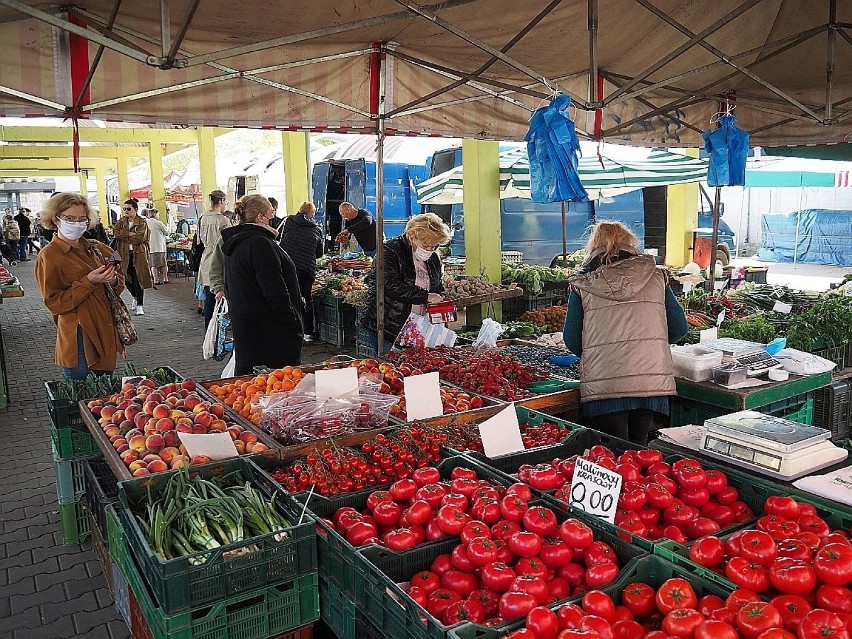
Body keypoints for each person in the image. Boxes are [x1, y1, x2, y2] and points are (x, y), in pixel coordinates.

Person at [562, 221, 689, 445]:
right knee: (638, 451)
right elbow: (679, 327)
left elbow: (572, 340)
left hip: (605, 383)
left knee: (614, 455)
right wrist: (647, 344)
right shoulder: (658, 277)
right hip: (649, 382)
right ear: (630, 244)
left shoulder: (582, 284)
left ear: (594, 247)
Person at [34, 193, 126, 379]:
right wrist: (89, 282)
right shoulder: (49, 256)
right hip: (78, 335)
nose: (76, 224)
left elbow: (119, 283)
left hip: (105, 329)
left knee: (104, 397)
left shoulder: (97, 248)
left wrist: (113, 280)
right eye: (69, 218)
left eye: (81, 219)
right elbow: (54, 304)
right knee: (82, 396)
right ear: (55, 219)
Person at [221, 194, 303, 375]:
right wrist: (292, 320)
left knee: (252, 386)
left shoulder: (237, 243)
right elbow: (275, 290)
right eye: (271, 214)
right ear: (260, 217)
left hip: (249, 327)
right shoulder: (260, 244)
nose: (274, 219)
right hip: (270, 333)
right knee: (273, 386)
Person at [360, 213, 450, 353]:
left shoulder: (433, 258)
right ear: (412, 236)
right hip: (390, 325)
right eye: (426, 245)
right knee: (393, 368)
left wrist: (440, 298)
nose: (430, 250)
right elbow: (388, 284)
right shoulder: (389, 250)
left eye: (434, 246)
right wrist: (426, 296)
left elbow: (437, 285)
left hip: (420, 326)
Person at [279, 201, 324, 341]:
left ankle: (290, 330)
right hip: (306, 269)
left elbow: (276, 239)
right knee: (307, 299)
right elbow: (319, 254)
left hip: (288, 267)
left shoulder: (287, 222)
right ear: (312, 213)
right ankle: (308, 332)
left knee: (290, 298)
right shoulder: (316, 229)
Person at [112, 198, 152, 316]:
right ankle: (134, 296)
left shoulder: (142, 222)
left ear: (135, 209)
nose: (126, 211)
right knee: (125, 277)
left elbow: (140, 238)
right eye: (124, 209)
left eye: (128, 209)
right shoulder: (121, 221)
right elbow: (116, 233)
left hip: (138, 254)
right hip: (123, 254)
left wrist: (124, 236)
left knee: (138, 278)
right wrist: (129, 234)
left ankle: (140, 304)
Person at [197, 190, 231, 328]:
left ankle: (208, 331)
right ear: (221, 201)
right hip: (219, 260)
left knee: (209, 298)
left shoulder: (202, 218)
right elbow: (228, 243)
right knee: (220, 297)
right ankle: (218, 332)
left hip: (205, 259)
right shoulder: (223, 220)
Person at [145, 208, 170, 285]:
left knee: (153, 264)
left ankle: (156, 280)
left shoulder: (146, 223)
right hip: (159, 246)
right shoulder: (158, 223)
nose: (159, 216)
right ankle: (165, 279)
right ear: (155, 214)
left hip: (150, 247)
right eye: (158, 214)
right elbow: (166, 233)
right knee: (163, 264)